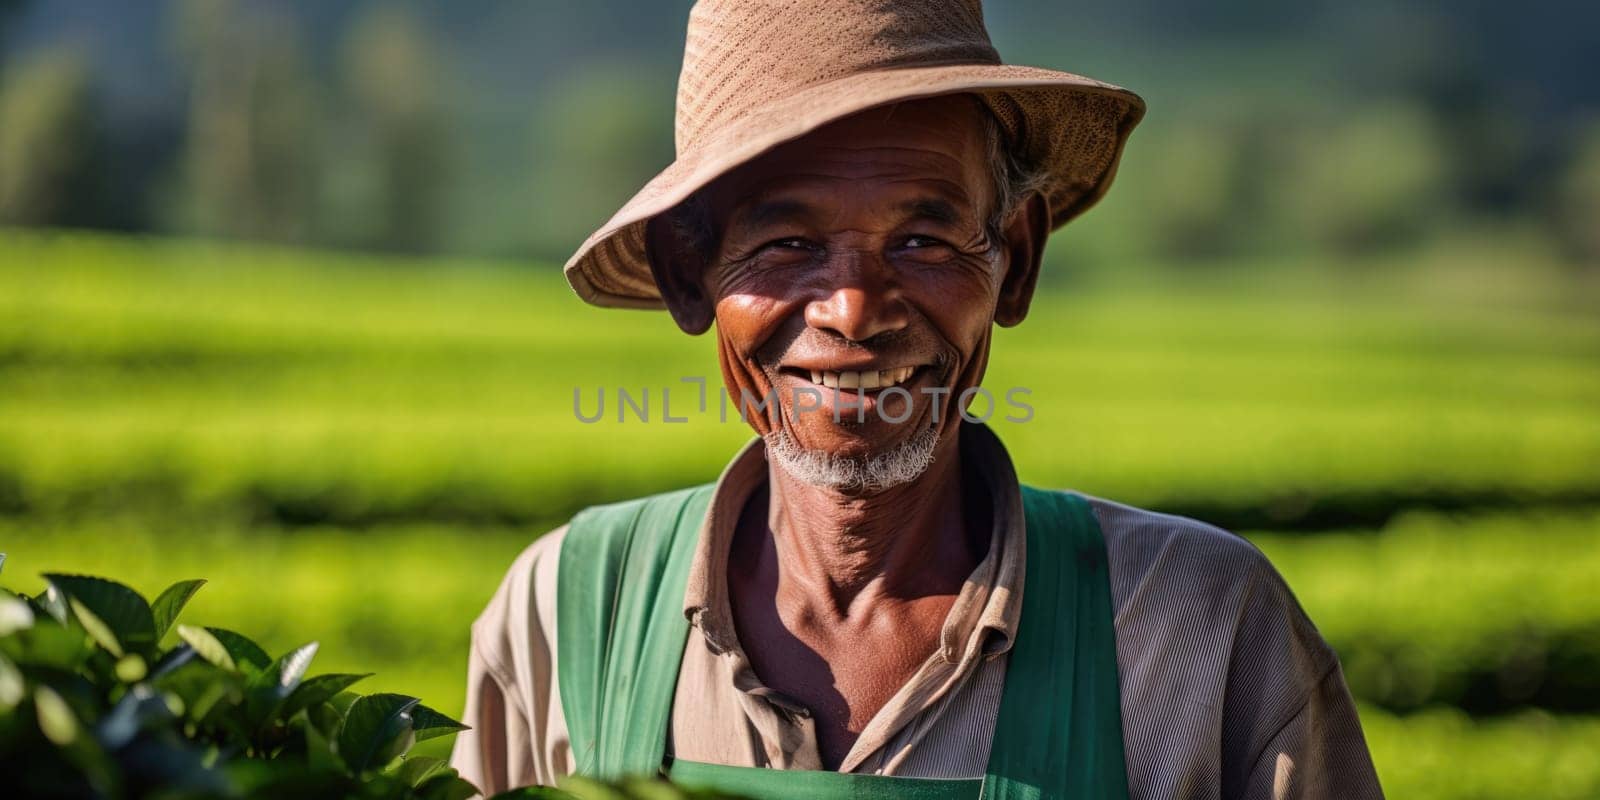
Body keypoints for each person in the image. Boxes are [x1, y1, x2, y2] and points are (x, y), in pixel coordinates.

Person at [450, 1, 1384, 797]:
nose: (855, 311)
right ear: (690, 278)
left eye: (925, 241)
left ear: (1013, 260)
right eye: (786, 245)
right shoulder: (566, 619)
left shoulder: (1197, 631)